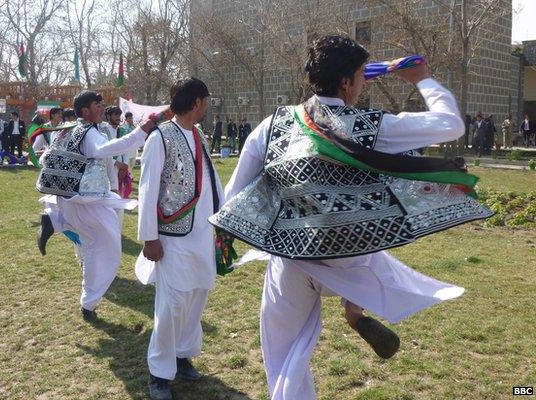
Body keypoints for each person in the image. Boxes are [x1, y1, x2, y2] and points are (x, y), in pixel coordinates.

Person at [210, 35, 492, 400]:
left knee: (280, 351)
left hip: (295, 256)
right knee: (372, 249)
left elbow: (232, 197)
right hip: (354, 257)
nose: (363, 83)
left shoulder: (274, 125)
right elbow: (450, 124)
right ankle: (355, 306)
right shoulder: (371, 126)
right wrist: (422, 78)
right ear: (346, 81)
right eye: (360, 75)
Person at [135, 77, 223, 400]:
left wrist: (222, 219)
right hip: (170, 236)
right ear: (197, 102)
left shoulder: (197, 135)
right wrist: (148, 237)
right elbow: (147, 190)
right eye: (206, 101)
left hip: (201, 232)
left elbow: (211, 181)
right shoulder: (160, 138)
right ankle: (159, 373)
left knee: (197, 294)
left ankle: (183, 354)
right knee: (171, 304)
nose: (207, 107)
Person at [35, 90, 154, 320]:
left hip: (71, 198)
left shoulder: (70, 129)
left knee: (91, 247)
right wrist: (142, 132)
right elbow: (105, 150)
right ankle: (88, 300)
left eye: (101, 104)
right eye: (96, 104)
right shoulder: (88, 132)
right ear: (84, 111)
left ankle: (57, 221)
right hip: (86, 200)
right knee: (110, 247)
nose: (101, 107)